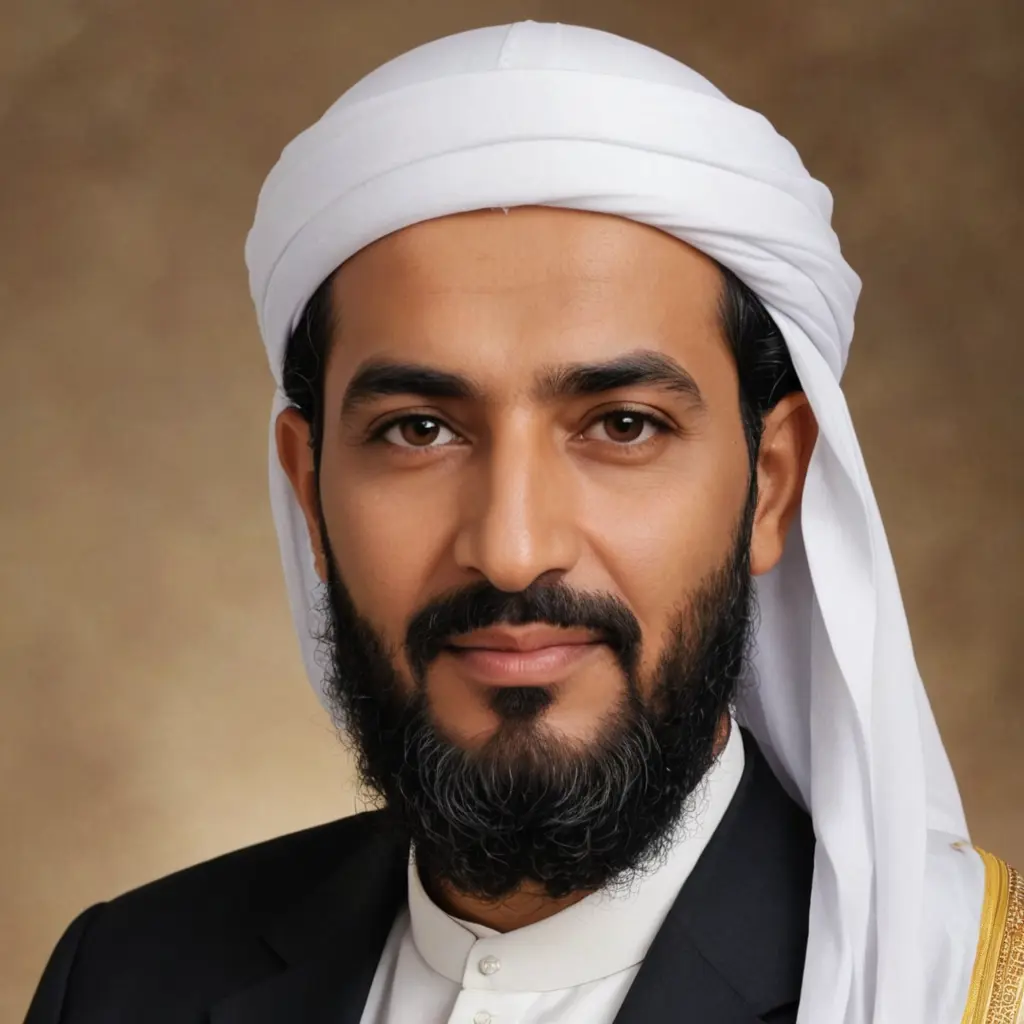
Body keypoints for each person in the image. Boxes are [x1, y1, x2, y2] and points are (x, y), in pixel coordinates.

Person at [24, 21, 1022, 1024]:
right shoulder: (123, 980)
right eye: (418, 430)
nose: (511, 550)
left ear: (770, 485)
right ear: (308, 489)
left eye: (622, 425)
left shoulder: (949, 990)